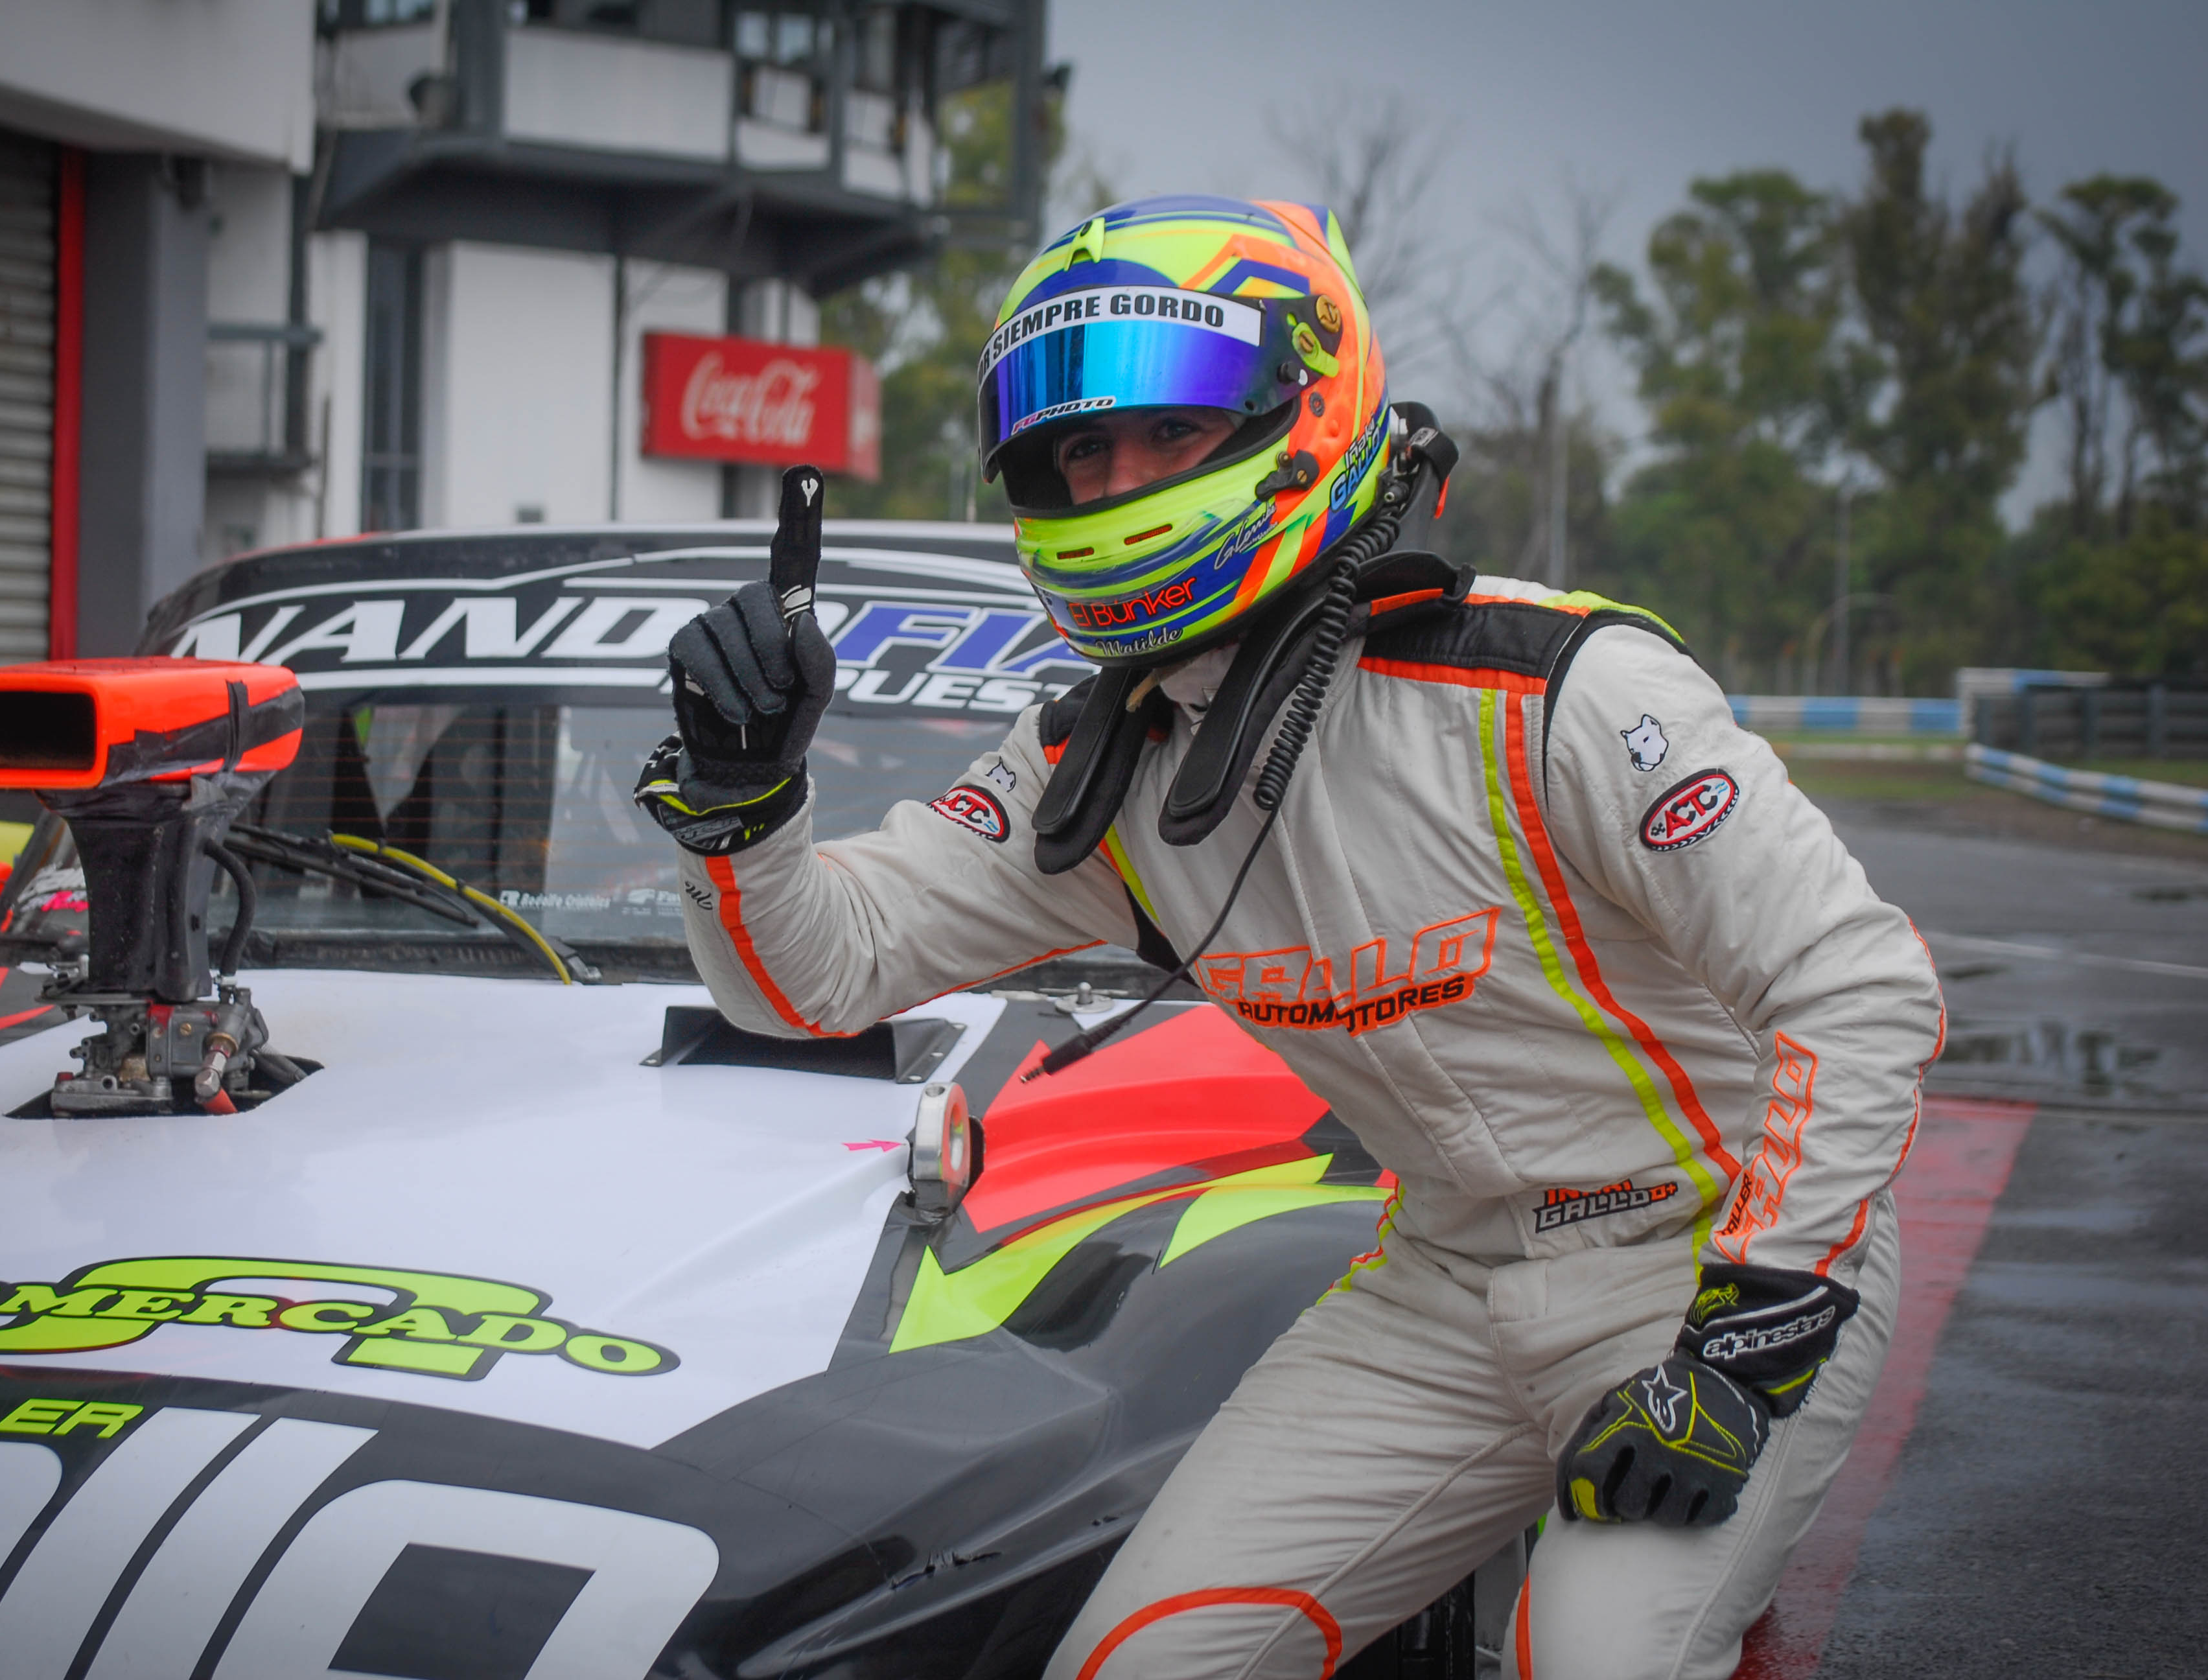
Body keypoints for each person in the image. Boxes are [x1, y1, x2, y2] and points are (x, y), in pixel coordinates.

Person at [634, 195, 1943, 1680]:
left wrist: (1744, 1343)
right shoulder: (1093, 767)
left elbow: (1857, 988)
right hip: (1437, 1295)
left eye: (1168, 435)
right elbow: (818, 976)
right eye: (1079, 448)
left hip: (1707, 1272)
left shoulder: (1558, 689)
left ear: (1300, 412)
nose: (1114, 478)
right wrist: (745, 799)